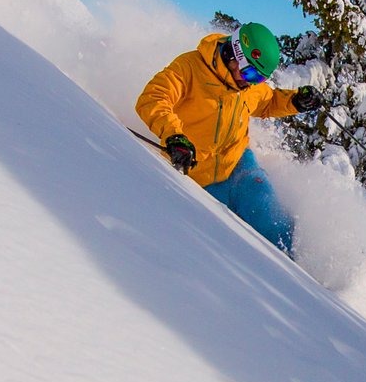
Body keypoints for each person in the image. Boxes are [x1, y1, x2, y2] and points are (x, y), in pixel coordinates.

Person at [135, 23, 325, 254]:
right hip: (199, 175)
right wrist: (175, 136)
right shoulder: (190, 68)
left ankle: (293, 276)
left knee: (275, 227)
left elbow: (267, 101)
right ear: (234, 54)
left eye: (259, 79)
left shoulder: (247, 85)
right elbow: (153, 98)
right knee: (223, 245)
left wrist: (295, 101)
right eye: (250, 74)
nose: (251, 83)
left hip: (239, 163)